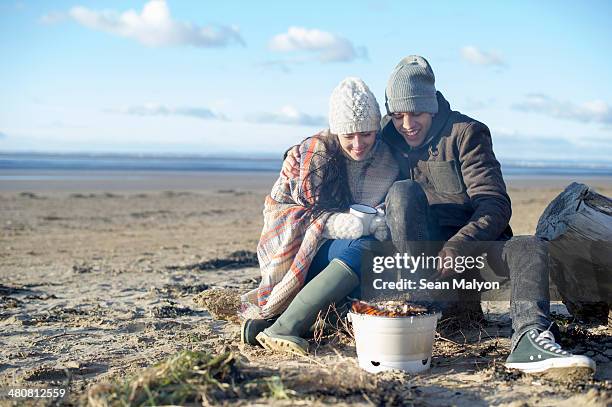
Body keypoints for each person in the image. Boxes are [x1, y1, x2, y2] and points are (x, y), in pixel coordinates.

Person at [282, 56, 596, 374]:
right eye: (398, 114)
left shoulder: (467, 133)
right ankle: (420, 307)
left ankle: (530, 339)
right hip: (420, 263)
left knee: (530, 245)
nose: (407, 124)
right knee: (402, 194)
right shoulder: (387, 136)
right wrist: (304, 152)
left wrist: (459, 244)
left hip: (475, 253)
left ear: (431, 107)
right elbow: (348, 136)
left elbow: (495, 204)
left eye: (415, 113)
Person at [240, 77, 400, 355]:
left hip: (342, 260)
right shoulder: (312, 155)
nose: (358, 143)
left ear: (376, 129)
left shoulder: (387, 161)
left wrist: (378, 221)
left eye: (366, 133)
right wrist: (335, 223)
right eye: (348, 135)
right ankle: (285, 327)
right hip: (304, 253)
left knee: (377, 260)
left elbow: (387, 205)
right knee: (366, 249)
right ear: (335, 131)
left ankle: (273, 324)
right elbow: (280, 212)